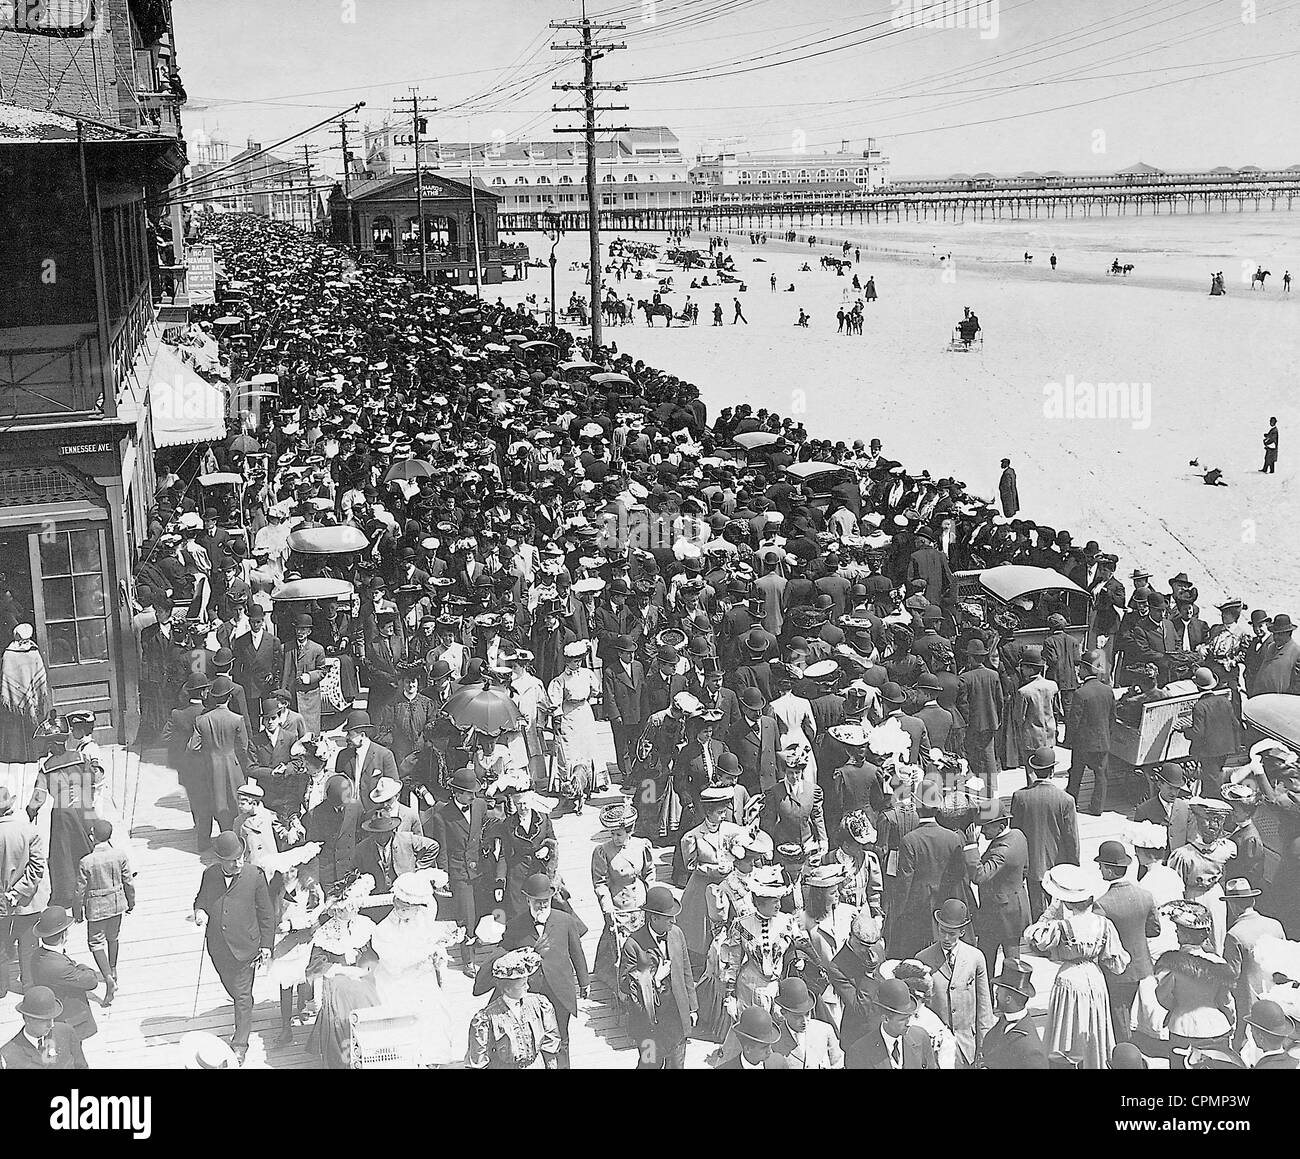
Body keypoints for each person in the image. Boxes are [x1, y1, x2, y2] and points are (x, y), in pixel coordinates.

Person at [1026, 863, 1130, 1068]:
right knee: (1094, 1030)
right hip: (1095, 978)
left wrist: (1050, 913)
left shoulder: (1060, 927)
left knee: (1067, 1031)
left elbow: (1034, 936)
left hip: (1070, 979)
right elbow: (1117, 962)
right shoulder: (1103, 924)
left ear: (1068, 903)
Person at [487, 873, 588, 1069]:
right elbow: (504, 951)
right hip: (529, 993)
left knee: (561, 1038)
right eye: (537, 901)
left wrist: (584, 982)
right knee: (530, 1038)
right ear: (528, 900)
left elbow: (577, 951)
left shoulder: (565, 920)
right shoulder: (516, 925)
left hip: (560, 990)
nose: (542, 905)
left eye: (546, 901)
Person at [192, 830, 275, 1063]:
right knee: (236, 991)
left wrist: (267, 944)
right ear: (220, 860)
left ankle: (240, 1044)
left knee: (241, 996)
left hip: (246, 947)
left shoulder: (254, 876)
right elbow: (201, 899)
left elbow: (267, 914)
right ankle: (246, 1005)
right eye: (232, 860)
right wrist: (200, 911)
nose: (238, 862)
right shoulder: (209, 875)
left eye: (241, 857)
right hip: (218, 948)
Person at [620, 883, 698, 1069]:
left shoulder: (677, 934)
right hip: (647, 1025)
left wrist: (692, 1008)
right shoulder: (633, 945)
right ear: (653, 918)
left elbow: (686, 972)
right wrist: (654, 978)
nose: (674, 922)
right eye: (668, 918)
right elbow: (625, 985)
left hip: (676, 1018)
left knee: (677, 1066)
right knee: (649, 1065)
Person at [1155, 899, 1236, 1068]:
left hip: (1183, 1027)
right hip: (1216, 1027)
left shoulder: (1172, 965)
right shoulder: (1218, 963)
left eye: (1178, 930)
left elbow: (1163, 997)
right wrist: (1230, 1020)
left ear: (1185, 935)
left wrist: (1179, 1007)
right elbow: (1226, 1001)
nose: (1177, 933)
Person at [1093, 840, 1160, 1045]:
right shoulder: (1145, 896)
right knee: (1129, 1009)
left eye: (1102, 866)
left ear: (1110, 871)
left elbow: (1099, 943)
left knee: (1119, 1012)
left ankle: (1125, 1053)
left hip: (1116, 970)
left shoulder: (1102, 904)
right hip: (1141, 965)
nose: (1099, 869)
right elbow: (1155, 930)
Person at [916, 898, 994, 1068]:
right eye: (942, 931)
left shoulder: (975, 957)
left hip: (968, 1048)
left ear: (962, 931)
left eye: (951, 933)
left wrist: (984, 1046)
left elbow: (984, 1008)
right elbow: (920, 1011)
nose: (945, 937)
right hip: (936, 1049)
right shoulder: (923, 959)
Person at [428, 767, 491, 975]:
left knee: (483, 908)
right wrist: (444, 875)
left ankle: (477, 938)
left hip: (480, 869)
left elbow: (487, 828)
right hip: (459, 872)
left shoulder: (480, 805)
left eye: (474, 793)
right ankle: (468, 959)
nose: (473, 796)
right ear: (456, 793)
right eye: (469, 793)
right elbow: (442, 850)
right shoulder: (442, 815)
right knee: (466, 915)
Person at [962, 797, 1030, 978]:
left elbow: (979, 876)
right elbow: (1025, 869)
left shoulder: (1002, 850)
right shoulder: (1018, 835)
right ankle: (1014, 997)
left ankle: (988, 1000)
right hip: (1015, 907)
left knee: (987, 959)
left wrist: (971, 846)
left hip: (997, 913)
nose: (982, 830)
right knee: (1013, 959)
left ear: (1000, 826)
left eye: (986, 826)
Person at [590, 802, 653, 992]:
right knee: (618, 940)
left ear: (629, 832)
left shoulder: (642, 846)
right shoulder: (603, 851)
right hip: (619, 902)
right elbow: (600, 883)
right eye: (612, 834)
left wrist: (650, 896)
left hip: (640, 902)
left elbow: (649, 872)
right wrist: (607, 906)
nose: (615, 838)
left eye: (619, 834)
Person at [1012, 745, 1080, 918]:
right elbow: (1072, 838)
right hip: (1059, 864)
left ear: (1033, 770)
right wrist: (1074, 866)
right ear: (1053, 771)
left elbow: (1015, 833)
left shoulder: (1020, 797)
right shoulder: (1066, 800)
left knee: (1037, 910)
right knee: (1059, 909)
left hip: (1031, 863)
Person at [465, 948, 561, 1069]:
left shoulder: (539, 1004)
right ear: (507, 989)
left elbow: (551, 1041)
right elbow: (477, 1060)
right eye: (522, 984)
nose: (528, 986)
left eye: (527, 981)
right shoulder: (487, 1018)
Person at [73, 818, 134, 1006]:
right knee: (113, 937)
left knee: (95, 943)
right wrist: (131, 902)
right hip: (117, 904)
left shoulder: (86, 861)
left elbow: (79, 890)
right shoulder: (120, 855)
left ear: (93, 837)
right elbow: (128, 882)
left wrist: (78, 912)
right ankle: (114, 969)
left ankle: (107, 977)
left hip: (96, 908)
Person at [187, 675, 250, 839]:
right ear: (229, 697)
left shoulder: (201, 720)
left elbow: (193, 746)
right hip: (233, 765)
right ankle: (236, 837)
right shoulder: (237, 719)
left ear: (214, 698)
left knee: (217, 801)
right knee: (235, 802)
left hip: (211, 766)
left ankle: (224, 836)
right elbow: (244, 747)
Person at [0, 784, 47, 997]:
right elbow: (37, 869)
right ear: (10, 806)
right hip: (27, 904)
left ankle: (1, 989)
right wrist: (18, 892)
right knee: (28, 948)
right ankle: (29, 987)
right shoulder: (29, 831)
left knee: (1, 948)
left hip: (1, 907)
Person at [31, 904, 101, 1047]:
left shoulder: (37, 955)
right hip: (67, 1021)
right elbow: (91, 981)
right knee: (71, 1058)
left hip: (49, 1019)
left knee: (51, 1056)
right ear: (63, 934)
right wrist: (82, 966)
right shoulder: (59, 966)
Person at [845, 978, 937, 1069]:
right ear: (885, 1019)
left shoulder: (921, 1037)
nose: (909, 1023)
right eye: (903, 1019)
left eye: (910, 1017)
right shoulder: (860, 1051)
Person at [1065, 650, 1114, 814]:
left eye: (1080, 668)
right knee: (1101, 776)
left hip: (1083, 744)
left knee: (1076, 774)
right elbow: (1112, 718)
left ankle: (1071, 804)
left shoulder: (1080, 693)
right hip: (1102, 742)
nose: (1078, 671)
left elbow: (1074, 722)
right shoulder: (1108, 690)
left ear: (1086, 669)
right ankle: (1096, 808)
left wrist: (1068, 741)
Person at [977, 961, 1048, 1068]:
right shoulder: (1004, 1021)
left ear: (1008, 999)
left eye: (999, 990)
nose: (995, 993)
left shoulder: (1031, 1048)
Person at [0, 985, 87, 1069]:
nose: (51, 1025)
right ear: (28, 1019)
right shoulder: (8, 1054)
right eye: (44, 1020)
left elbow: (81, 1066)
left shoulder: (66, 1032)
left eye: (52, 1018)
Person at [0, 624, 49, 763]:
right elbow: (41, 677)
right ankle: (35, 753)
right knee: (32, 722)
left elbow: (5, 677)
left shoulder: (8, 654)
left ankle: (15, 755)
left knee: (15, 725)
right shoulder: (34, 652)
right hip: (31, 699)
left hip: (14, 700)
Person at [769, 976, 843, 1068]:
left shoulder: (825, 1030)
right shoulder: (775, 1043)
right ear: (784, 1013)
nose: (804, 1021)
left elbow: (837, 1064)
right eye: (797, 1016)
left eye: (807, 1014)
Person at [713, 1005, 789, 1068]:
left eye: (770, 1045)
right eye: (764, 1047)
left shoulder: (778, 1063)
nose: (769, 1051)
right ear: (748, 1049)